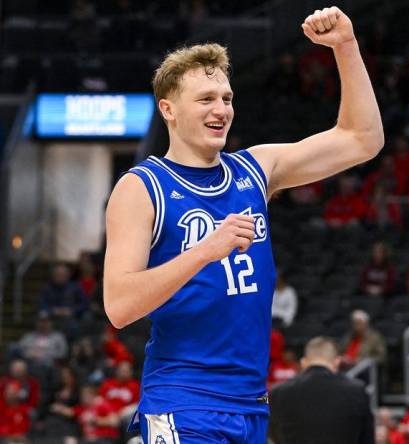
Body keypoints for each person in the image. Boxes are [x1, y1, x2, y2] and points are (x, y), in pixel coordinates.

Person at [103, 6, 383, 442]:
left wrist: (346, 47)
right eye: (206, 99)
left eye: (227, 98)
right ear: (169, 110)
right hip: (184, 400)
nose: (221, 109)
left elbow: (362, 140)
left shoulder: (255, 169)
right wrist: (205, 251)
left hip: (250, 405)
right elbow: (119, 306)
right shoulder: (141, 187)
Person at [269, 337, 373, 444]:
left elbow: (274, 434)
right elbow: (367, 438)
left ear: (303, 362)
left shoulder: (279, 392)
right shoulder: (357, 391)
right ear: (337, 362)